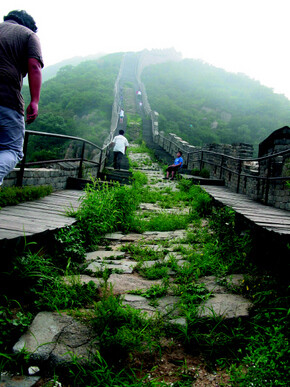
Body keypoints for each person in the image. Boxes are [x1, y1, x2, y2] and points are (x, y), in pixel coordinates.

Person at [0, 10, 43, 186]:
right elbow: (34, 67)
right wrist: (35, 101)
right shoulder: (28, 35)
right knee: (12, 149)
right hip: (6, 98)